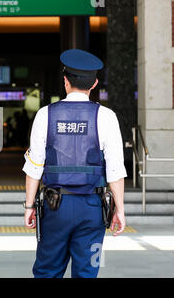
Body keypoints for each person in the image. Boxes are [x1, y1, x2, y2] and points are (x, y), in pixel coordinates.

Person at [23, 49, 127, 278]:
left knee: (46, 271)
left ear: (65, 81)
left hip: (54, 207)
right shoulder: (107, 116)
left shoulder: (45, 114)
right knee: (88, 271)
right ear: (95, 83)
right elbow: (115, 169)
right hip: (93, 209)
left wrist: (29, 206)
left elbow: (34, 165)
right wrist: (119, 208)